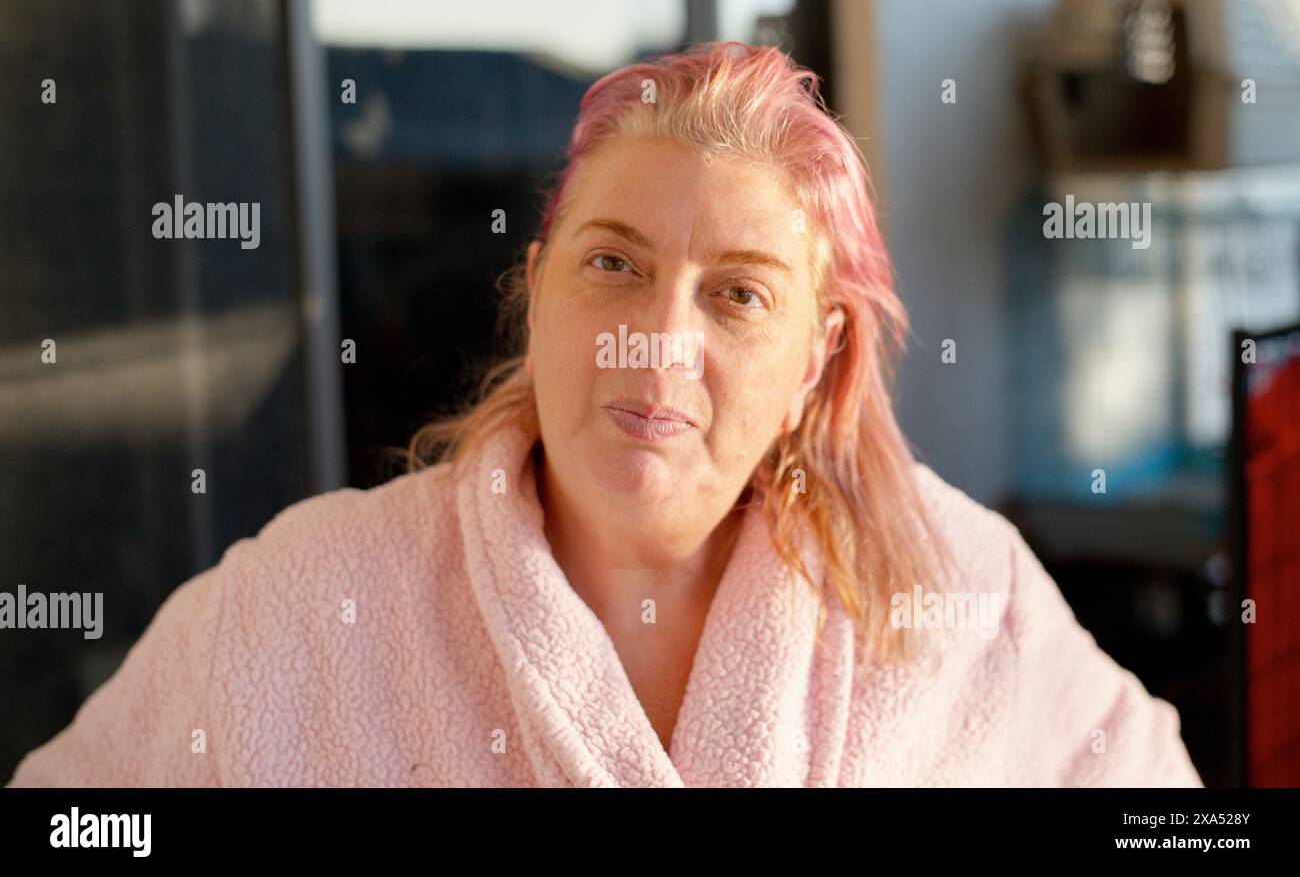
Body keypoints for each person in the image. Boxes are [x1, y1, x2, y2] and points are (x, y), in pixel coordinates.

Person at [6, 41, 1202, 787]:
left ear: (813, 353)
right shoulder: (303, 608)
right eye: (614, 265)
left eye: (737, 292)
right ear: (535, 289)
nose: (659, 342)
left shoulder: (953, 600)